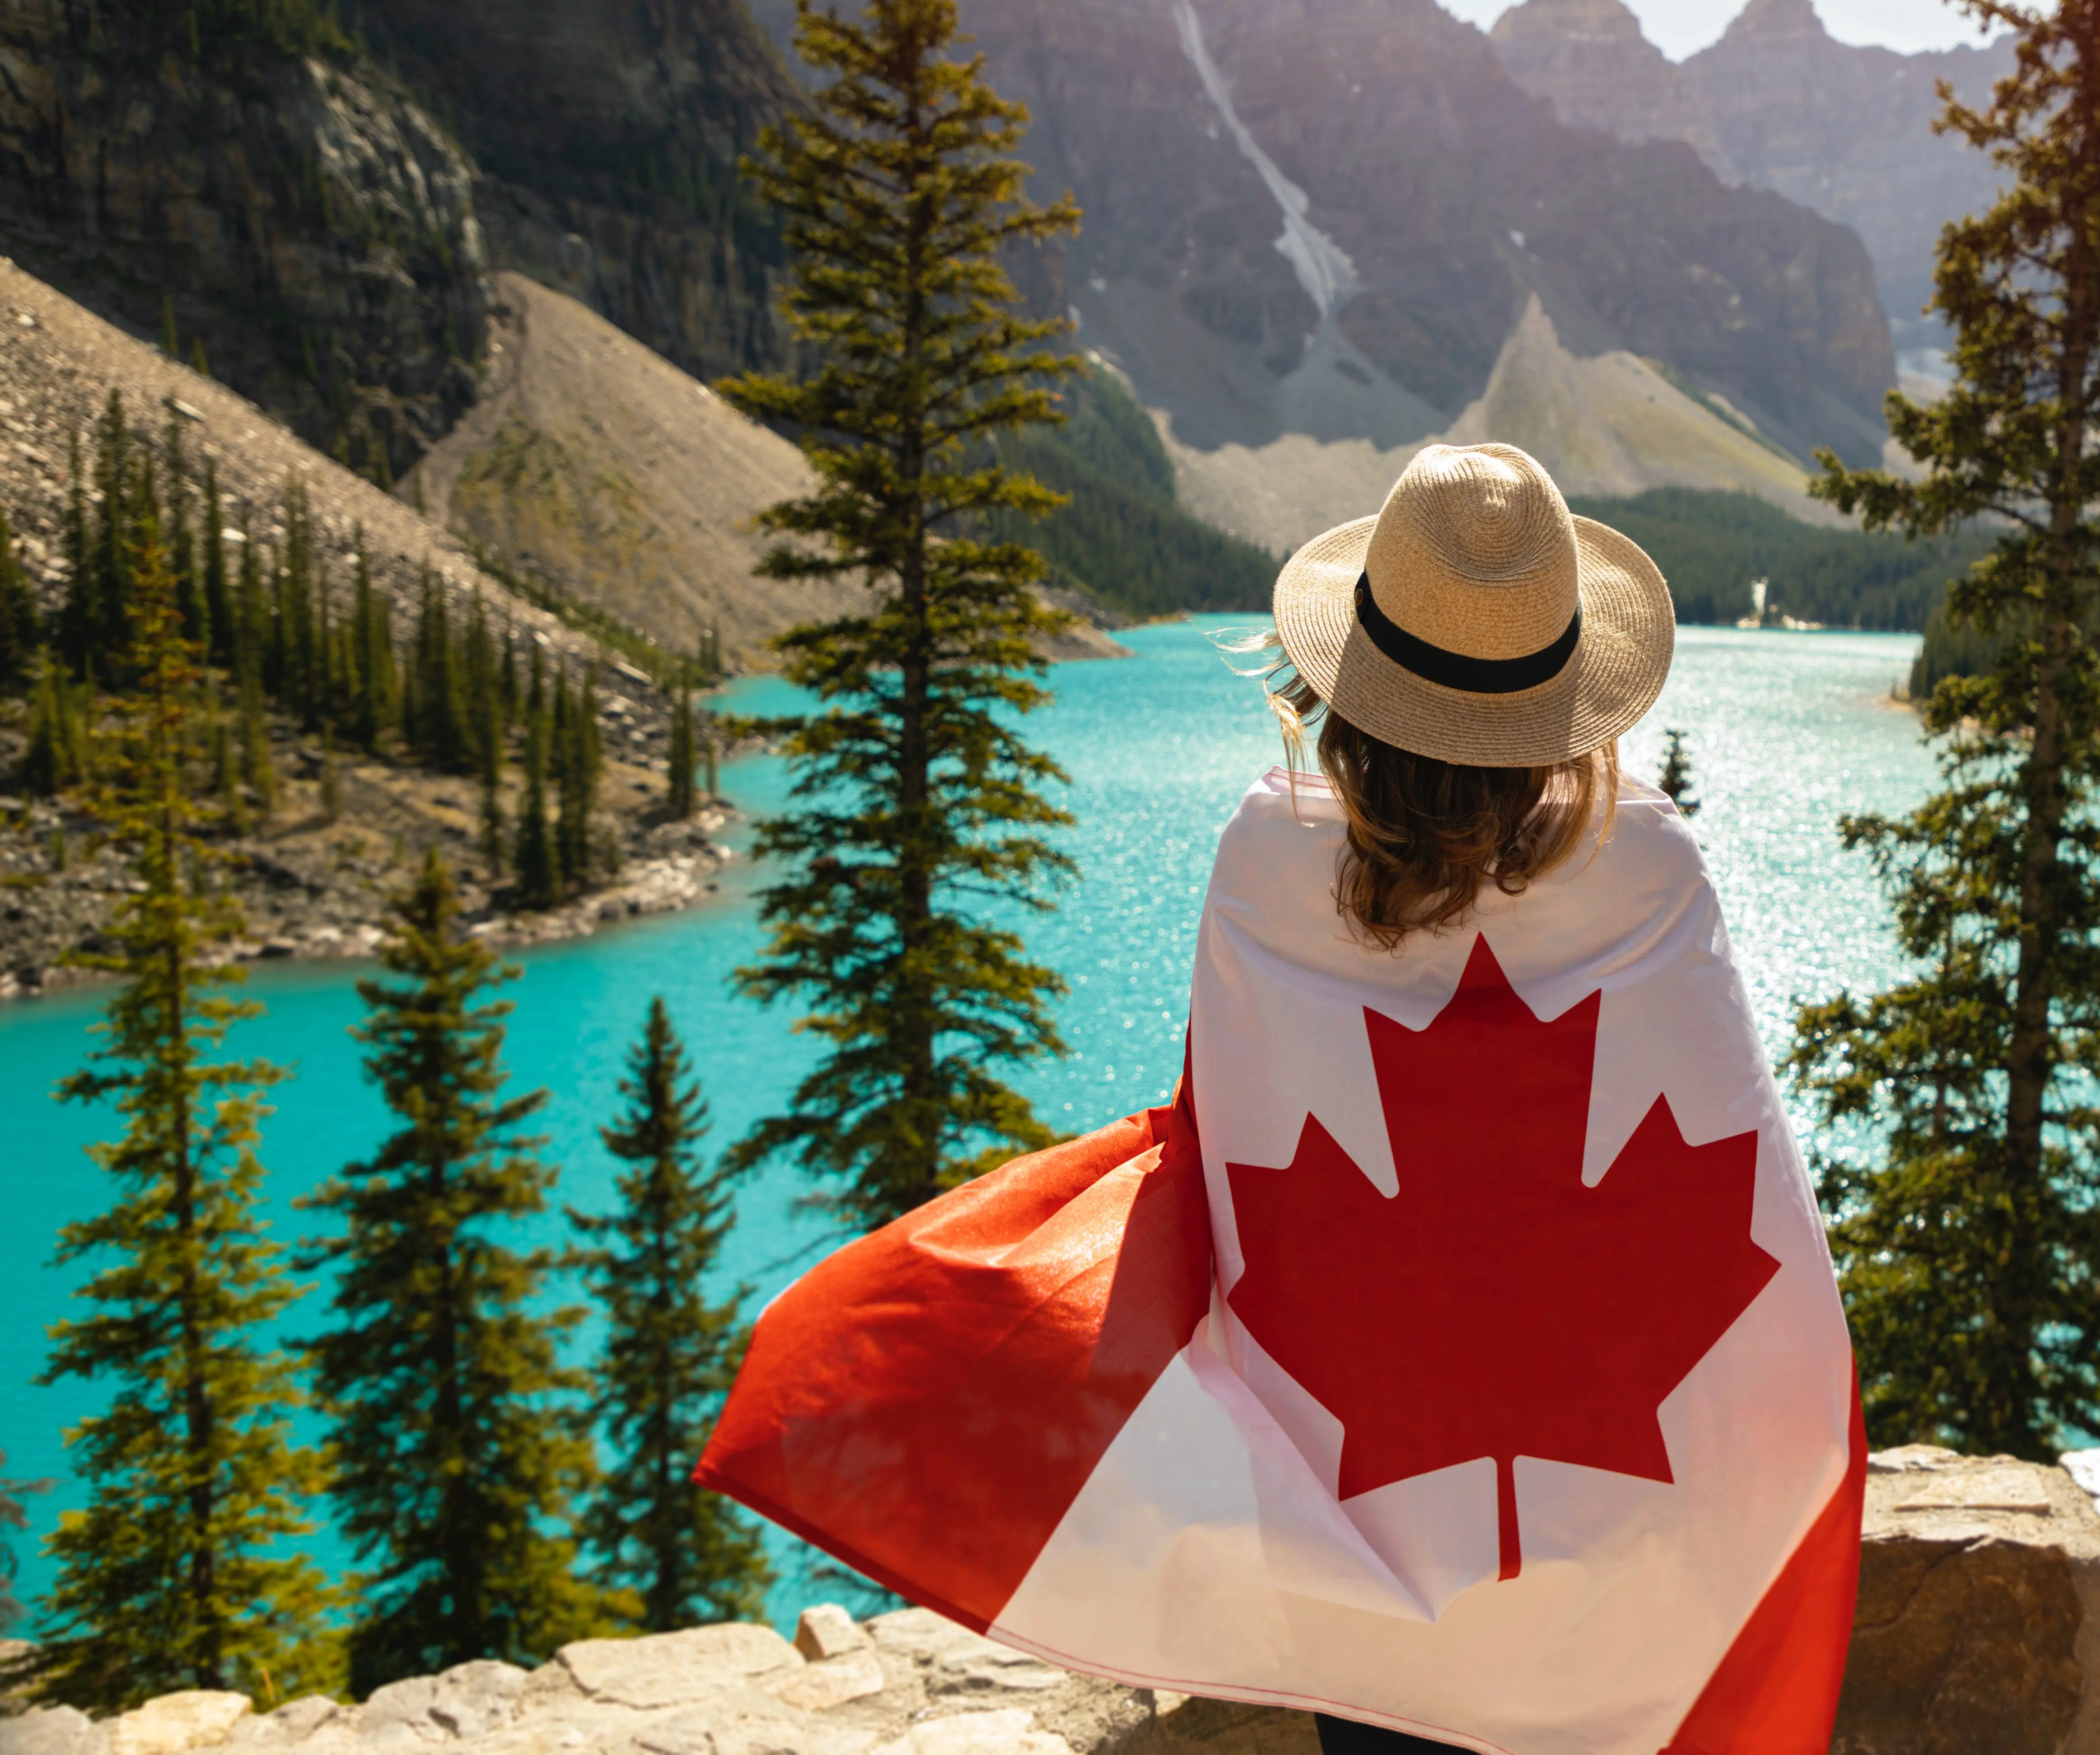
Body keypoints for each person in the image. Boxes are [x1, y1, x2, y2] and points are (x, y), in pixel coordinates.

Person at [703, 445, 1861, 1755]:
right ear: (1566, 703)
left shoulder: (1268, 861)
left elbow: (1228, 1145)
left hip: (1362, 1556)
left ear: (1345, 688)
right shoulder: (1647, 865)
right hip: (1629, 1576)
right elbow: (1749, 1196)